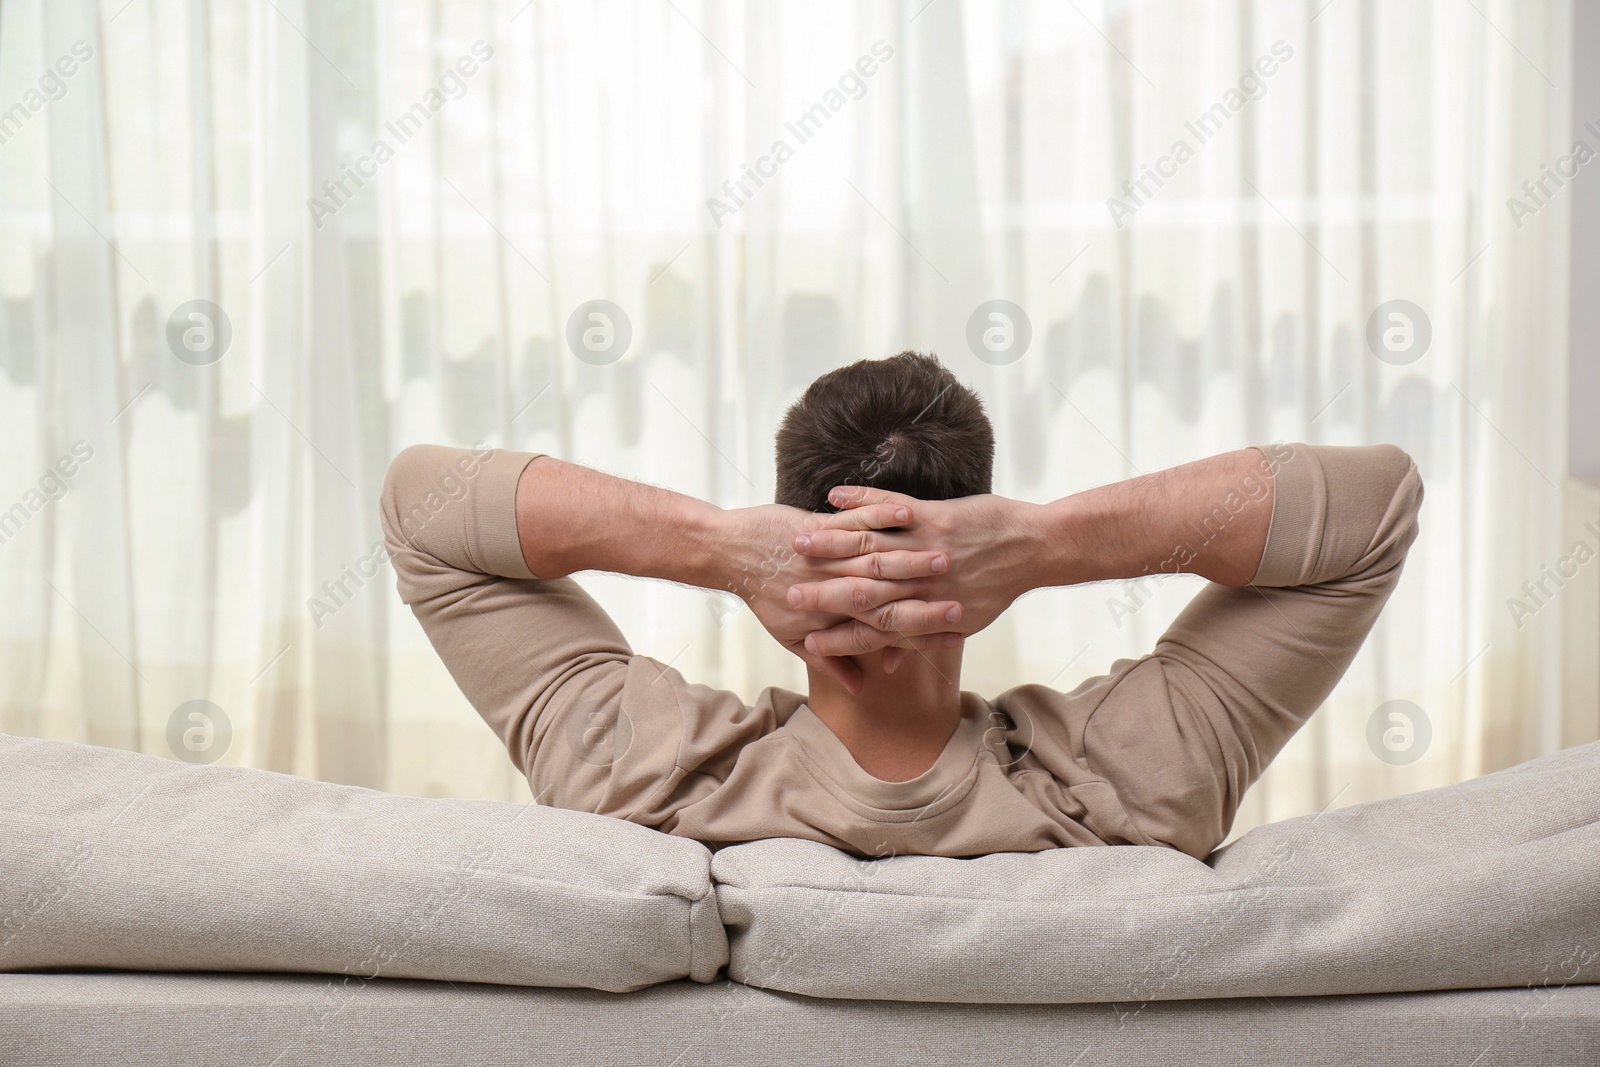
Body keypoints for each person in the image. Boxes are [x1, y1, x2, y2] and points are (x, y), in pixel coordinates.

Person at [378, 351, 1422, 861]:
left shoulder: (639, 772)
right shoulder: (1128, 782)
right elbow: (1374, 504)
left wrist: (719, 548)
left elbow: (420, 504)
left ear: (786, 520)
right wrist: (1045, 543)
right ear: (974, 534)